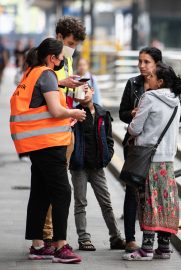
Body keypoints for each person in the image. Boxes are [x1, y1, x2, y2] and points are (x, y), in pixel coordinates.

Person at [10, 37, 86, 263]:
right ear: (52, 58)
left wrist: (62, 84)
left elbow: (40, 96)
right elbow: (55, 110)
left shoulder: (32, 72)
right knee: (62, 192)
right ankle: (61, 246)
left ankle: (37, 245)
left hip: (35, 143)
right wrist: (75, 113)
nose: (63, 61)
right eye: (61, 58)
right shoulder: (47, 75)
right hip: (49, 143)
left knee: (41, 192)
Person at [122, 62, 181, 261]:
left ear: (160, 82)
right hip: (167, 160)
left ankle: (146, 249)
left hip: (149, 159)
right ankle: (164, 247)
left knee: (148, 201)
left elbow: (134, 128)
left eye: (150, 77)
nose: (146, 79)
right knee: (165, 202)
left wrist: (132, 125)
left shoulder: (149, 97)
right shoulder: (175, 99)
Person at [43, 15, 87, 244]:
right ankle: (47, 236)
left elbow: (64, 88)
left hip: (66, 125)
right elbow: (39, 83)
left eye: (75, 46)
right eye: (70, 44)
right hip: (49, 129)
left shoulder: (67, 59)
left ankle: (48, 236)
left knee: (57, 186)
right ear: (59, 36)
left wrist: (80, 90)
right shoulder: (45, 55)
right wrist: (63, 83)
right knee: (55, 186)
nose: (72, 50)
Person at [69, 86, 125, 251]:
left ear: (93, 91)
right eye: (79, 91)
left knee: (106, 202)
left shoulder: (102, 114)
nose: (84, 93)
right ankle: (83, 238)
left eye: (86, 89)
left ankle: (116, 238)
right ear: (76, 97)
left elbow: (109, 139)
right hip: (78, 166)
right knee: (80, 203)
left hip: (97, 167)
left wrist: (106, 157)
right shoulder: (74, 114)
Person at [119, 47, 163, 253]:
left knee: (155, 193)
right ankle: (130, 239)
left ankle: (156, 241)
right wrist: (134, 112)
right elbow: (122, 114)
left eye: (147, 62)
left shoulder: (166, 84)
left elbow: (177, 114)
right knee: (132, 191)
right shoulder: (133, 83)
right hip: (135, 146)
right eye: (140, 61)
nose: (142, 66)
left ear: (157, 64)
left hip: (157, 147)